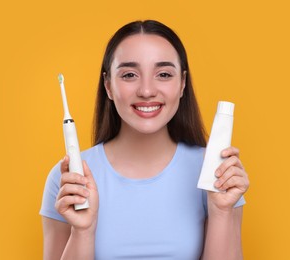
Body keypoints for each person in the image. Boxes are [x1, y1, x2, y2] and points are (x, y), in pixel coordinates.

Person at [40, 20, 249, 260]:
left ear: (182, 83)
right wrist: (83, 231)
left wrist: (221, 211)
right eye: (129, 74)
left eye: (163, 74)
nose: (147, 90)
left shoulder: (216, 172)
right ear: (108, 85)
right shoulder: (69, 180)